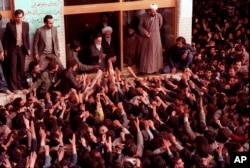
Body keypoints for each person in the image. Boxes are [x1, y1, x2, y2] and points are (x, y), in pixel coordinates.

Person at [3, 9, 30, 92]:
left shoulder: (26, 25)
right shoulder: (10, 25)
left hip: (22, 48)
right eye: (18, 17)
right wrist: (5, 49)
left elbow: (27, 37)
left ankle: (19, 85)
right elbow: (6, 38)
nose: (19, 19)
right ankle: (13, 87)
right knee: (13, 68)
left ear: (23, 17)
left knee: (21, 68)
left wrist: (28, 48)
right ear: (15, 17)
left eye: (21, 17)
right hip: (13, 49)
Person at [138, 3, 163, 74]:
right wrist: (145, 32)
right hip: (146, 37)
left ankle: (156, 69)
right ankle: (145, 70)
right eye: (151, 12)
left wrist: (154, 31)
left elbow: (160, 25)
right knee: (146, 53)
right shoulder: (143, 16)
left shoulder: (159, 16)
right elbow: (140, 26)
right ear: (148, 10)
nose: (153, 13)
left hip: (156, 36)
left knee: (156, 52)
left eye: (154, 12)